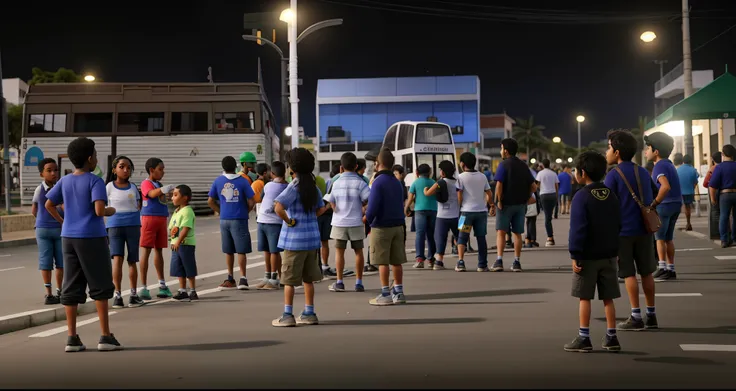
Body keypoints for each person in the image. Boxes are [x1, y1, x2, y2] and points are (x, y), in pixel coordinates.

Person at [44, 137, 122, 352]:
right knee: (100, 285)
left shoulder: (65, 181)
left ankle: (72, 338)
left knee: (71, 285)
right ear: (90, 159)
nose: (96, 158)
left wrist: (63, 221)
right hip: (92, 237)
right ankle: (105, 336)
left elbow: (49, 203)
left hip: (68, 237)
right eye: (95, 155)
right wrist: (110, 211)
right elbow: (99, 210)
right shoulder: (94, 181)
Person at [564, 151, 622, 353]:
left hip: (587, 256)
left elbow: (578, 228)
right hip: (609, 255)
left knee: (585, 297)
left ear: (582, 173)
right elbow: (618, 224)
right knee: (608, 298)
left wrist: (575, 254)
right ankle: (612, 336)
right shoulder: (611, 194)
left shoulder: (581, 196)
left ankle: (584, 337)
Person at [603, 130, 659, 331]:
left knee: (628, 274)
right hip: (645, 229)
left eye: (609, 147)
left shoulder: (613, 175)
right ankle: (651, 315)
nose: (607, 152)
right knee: (647, 273)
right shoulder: (642, 171)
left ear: (617, 152)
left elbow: (606, 203)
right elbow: (654, 192)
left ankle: (636, 315)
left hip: (624, 232)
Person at [272, 148, 328, 327]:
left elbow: (278, 208)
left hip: (294, 241)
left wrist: (289, 221)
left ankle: (287, 315)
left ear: (292, 168)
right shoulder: (314, 188)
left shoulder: (293, 186)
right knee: (308, 279)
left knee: (289, 280)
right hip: (312, 240)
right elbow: (320, 209)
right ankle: (309, 313)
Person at [324, 152, 371, 292]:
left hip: (339, 222)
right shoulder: (360, 183)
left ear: (341, 168)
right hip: (356, 222)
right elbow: (369, 200)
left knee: (339, 253)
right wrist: (363, 210)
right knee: (358, 252)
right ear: (356, 166)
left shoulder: (336, 182)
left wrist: (335, 208)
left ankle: (339, 282)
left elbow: (330, 200)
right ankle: (359, 282)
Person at [366, 149, 407, 306]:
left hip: (381, 226)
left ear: (378, 163)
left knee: (382, 261)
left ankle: (385, 293)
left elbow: (373, 206)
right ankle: (399, 291)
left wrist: (367, 220)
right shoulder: (396, 182)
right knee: (396, 261)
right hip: (398, 225)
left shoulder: (378, 182)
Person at [208, 156, 256, 290]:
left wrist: (221, 210)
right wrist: (245, 211)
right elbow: (252, 200)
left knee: (228, 250)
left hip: (224, 219)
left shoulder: (218, 181)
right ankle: (243, 279)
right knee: (241, 250)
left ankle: (230, 278)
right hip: (239, 218)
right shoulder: (242, 182)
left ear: (223, 167)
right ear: (235, 167)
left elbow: (210, 201)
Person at [106, 156, 145, 309]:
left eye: (128, 167)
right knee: (118, 258)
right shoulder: (108, 187)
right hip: (115, 225)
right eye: (121, 167)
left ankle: (133, 295)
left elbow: (139, 204)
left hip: (133, 225)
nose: (125, 170)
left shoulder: (134, 187)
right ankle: (118, 295)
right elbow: (102, 205)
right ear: (114, 169)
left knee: (132, 259)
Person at [492, 139, 537, 272]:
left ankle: (499, 261)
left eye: (501, 148)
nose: (500, 151)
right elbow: (534, 187)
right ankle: (516, 262)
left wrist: (498, 201)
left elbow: (499, 185)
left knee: (501, 232)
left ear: (505, 150)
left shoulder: (503, 165)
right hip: (520, 205)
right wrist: (526, 197)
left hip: (505, 205)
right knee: (518, 233)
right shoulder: (524, 165)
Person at [645, 132, 682, 281]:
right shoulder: (669, 164)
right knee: (668, 238)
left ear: (656, 151)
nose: (646, 151)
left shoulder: (659, 166)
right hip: (675, 204)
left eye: (648, 148)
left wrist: (655, 203)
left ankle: (662, 267)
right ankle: (671, 268)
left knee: (659, 238)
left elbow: (665, 186)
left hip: (664, 205)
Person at [139, 158, 175, 300]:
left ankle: (162, 284)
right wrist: (162, 189)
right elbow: (151, 194)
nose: (163, 172)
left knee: (159, 250)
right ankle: (143, 287)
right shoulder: (146, 183)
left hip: (161, 219)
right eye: (160, 169)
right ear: (151, 170)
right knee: (146, 251)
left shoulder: (158, 184)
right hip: (149, 219)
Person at [451, 152, 492, 272]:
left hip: (465, 212)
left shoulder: (460, 177)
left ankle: (461, 262)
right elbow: (489, 193)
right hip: (481, 212)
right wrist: (491, 205)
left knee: (462, 238)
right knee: (481, 238)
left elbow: (459, 196)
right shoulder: (482, 176)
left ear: (462, 163)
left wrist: (458, 208)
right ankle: (482, 265)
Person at [32, 158, 63, 305]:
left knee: (60, 262)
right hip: (48, 229)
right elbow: (35, 209)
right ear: (41, 174)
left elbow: (34, 210)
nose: (53, 173)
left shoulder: (58, 187)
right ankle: (50, 293)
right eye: (49, 170)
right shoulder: (42, 189)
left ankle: (59, 291)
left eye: (55, 170)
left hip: (54, 228)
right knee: (48, 262)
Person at [255, 161, 288, 290]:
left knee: (271, 251)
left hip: (266, 220)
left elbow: (262, 197)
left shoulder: (268, 185)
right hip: (272, 221)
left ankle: (272, 277)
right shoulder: (286, 186)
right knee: (272, 251)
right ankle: (269, 276)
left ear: (272, 174)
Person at [424, 160, 460, 270]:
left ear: (443, 172)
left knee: (440, 238)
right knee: (460, 237)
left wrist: (425, 189)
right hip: (457, 216)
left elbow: (427, 193)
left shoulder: (440, 182)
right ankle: (460, 260)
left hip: (442, 216)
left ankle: (439, 261)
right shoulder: (458, 182)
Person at [407, 164, 437, 269]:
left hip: (419, 210)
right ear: (429, 172)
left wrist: (406, 208)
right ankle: (431, 260)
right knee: (431, 235)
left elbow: (410, 198)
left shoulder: (415, 183)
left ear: (417, 173)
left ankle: (420, 260)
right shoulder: (434, 182)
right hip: (433, 210)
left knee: (420, 234)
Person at [709, 145, 736, 248]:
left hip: (725, 194)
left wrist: (713, 198)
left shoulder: (719, 167)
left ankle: (724, 240)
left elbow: (712, 185)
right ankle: (734, 238)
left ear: (723, 155)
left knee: (724, 217)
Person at [319, 163, 341, 279]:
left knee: (319, 242)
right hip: (327, 212)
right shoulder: (339, 179)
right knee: (325, 242)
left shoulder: (327, 181)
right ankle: (325, 266)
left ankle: (318, 266)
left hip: (320, 211)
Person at [536, 159, 560, 246]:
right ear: (549, 164)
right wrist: (556, 196)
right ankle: (550, 236)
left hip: (544, 195)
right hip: (553, 195)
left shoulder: (540, 173)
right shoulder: (553, 173)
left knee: (547, 217)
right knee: (549, 216)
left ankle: (550, 237)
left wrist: (540, 190)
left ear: (542, 164)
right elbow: (556, 185)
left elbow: (537, 184)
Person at [677, 154, 700, 232]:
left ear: (683, 161)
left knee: (678, 208)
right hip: (689, 192)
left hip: (679, 192)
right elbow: (695, 182)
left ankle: (676, 223)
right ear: (691, 161)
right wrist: (692, 188)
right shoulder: (693, 170)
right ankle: (688, 223)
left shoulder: (678, 170)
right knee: (687, 207)